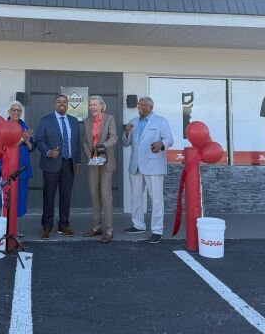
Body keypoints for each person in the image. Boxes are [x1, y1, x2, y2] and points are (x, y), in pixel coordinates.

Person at [122, 96, 173, 244]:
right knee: (136, 197)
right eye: (139, 106)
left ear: (151, 107)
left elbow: (169, 139)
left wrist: (161, 143)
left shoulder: (161, 121)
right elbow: (125, 143)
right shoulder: (133, 122)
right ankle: (138, 225)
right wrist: (126, 132)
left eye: (143, 106)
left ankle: (157, 230)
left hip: (154, 165)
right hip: (135, 166)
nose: (140, 108)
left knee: (156, 199)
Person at [35, 94, 81, 240]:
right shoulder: (45, 120)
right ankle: (46, 226)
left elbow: (77, 143)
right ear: (55, 104)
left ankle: (63, 225)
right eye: (59, 102)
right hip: (51, 164)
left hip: (69, 164)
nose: (62, 104)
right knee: (49, 196)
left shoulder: (73, 121)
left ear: (68, 104)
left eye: (64, 102)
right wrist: (48, 152)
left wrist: (77, 161)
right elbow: (39, 139)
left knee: (66, 196)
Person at [81, 96, 118, 244]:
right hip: (93, 161)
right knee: (94, 194)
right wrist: (88, 152)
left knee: (105, 194)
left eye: (95, 105)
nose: (92, 107)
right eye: (90, 105)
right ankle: (97, 227)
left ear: (102, 106)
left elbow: (114, 138)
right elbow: (84, 140)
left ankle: (109, 229)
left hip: (106, 161)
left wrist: (103, 146)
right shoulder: (87, 121)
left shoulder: (110, 118)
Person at [0, 101, 35, 223]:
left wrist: (27, 141)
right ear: (9, 112)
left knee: (19, 201)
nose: (16, 112)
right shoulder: (3, 126)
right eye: (13, 110)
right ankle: (6, 228)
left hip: (22, 171)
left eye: (18, 110)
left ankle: (16, 229)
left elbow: (31, 148)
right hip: (7, 170)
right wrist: (22, 139)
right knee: (7, 201)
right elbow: (4, 146)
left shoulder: (25, 127)